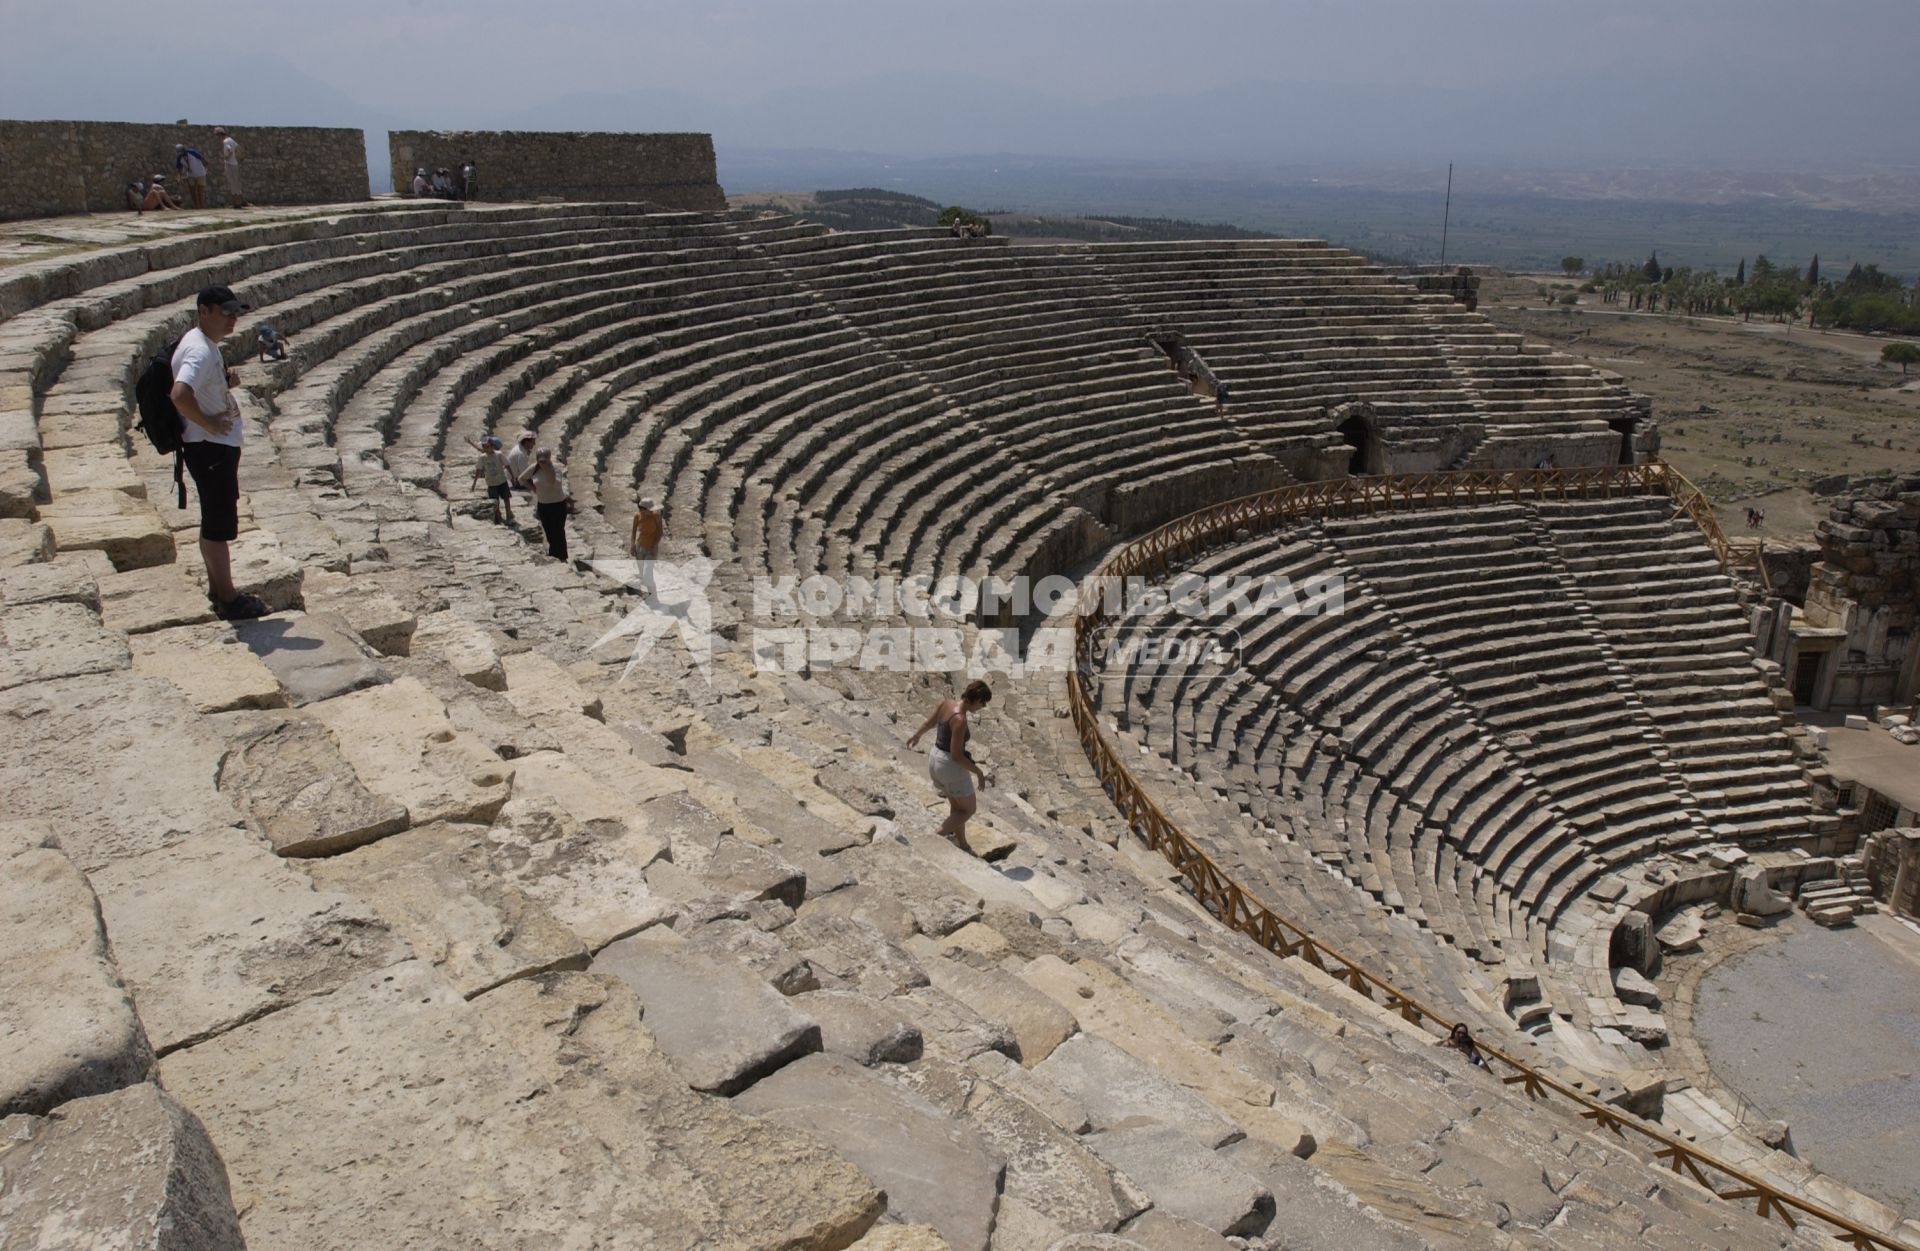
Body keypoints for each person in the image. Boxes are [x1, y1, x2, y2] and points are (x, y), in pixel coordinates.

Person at [171, 286, 268, 620]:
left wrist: (223, 385)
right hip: (210, 448)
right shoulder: (199, 350)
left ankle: (218, 587)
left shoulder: (201, 344)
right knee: (218, 523)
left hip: (211, 448)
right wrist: (208, 424)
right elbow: (180, 394)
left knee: (213, 519)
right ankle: (228, 598)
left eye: (235, 312)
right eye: (225, 312)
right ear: (204, 311)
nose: (233, 318)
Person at [906, 680, 994, 848]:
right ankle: (932, 838)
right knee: (968, 810)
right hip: (949, 766)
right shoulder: (959, 719)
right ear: (976, 700)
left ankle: (962, 844)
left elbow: (929, 723)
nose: (983, 706)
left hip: (935, 758)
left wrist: (917, 735)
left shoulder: (947, 703)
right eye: (983, 702)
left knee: (957, 807)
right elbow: (956, 755)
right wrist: (978, 772)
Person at [526, 447, 574, 560]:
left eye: (544, 460)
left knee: (558, 532)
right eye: (540, 460)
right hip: (543, 505)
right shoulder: (534, 468)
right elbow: (521, 479)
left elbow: (555, 484)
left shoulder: (556, 469)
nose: (542, 462)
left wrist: (548, 470)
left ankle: (561, 557)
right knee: (549, 531)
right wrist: (533, 488)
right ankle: (554, 555)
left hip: (557, 505)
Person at [471, 436, 515, 525]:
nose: (486, 449)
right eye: (484, 447)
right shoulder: (482, 457)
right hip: (491, 483)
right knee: (495, 501)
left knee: (506, 499)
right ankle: (498, 516)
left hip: (502, 480)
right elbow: (479, 470)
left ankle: (508, 514)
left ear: (492, 446)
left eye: (487, 447)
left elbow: (507, 465)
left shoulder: (499, 454)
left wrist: (512, 476)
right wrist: (474, 483)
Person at [629, 495, 663, 597]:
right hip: (640, 548)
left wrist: (654, 546)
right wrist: (632, 545)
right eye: (649, 510)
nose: (651, 511)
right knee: (643, 574)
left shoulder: (656, 516)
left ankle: (654, 596)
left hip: (651, 549)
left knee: (647, 574)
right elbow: (634, 531)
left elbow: (660, 532)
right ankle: (650, 596)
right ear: (642, 509)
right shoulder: (637, 516)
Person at [213, 127, 246, 206]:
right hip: (235, 163)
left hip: (229, 164)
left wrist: (226, 157)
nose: (217, 138)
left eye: (217, 135)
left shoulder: (225, 141)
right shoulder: (231, 139)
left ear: (220, 134)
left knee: (232, 183)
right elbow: (238, 148)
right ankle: (239, 202)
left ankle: (236, 202)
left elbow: (230, 150)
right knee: (236, 183)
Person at [174, 143, 208, 208]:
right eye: (179, 152)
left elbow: (202, 158)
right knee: (192, 192)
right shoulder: (179, 158)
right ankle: (196, 207)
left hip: (200, 173)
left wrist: (206, 168)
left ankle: (201, 207)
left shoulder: (191, 152)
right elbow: (179, 170)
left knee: (199, 191)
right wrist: (178, 178)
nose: (181, 153)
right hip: (190, 175)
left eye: (181, 151)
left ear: (184, 150)